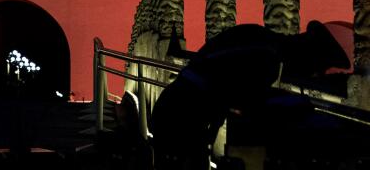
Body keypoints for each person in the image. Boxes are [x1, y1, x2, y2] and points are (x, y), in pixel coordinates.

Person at [150, 21, 350, 170]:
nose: (313, 75)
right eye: (316, 68)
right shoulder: (266, 58)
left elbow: (224, 90)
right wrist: (297, 104)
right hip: (180, 119)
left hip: (175, 109)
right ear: (308, 55)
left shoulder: (259, 38)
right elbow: (249, 104)